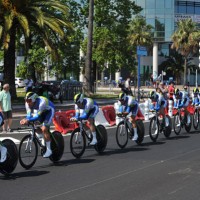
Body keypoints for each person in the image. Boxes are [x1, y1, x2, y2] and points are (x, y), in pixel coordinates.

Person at [20, 92, 55, 158]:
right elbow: (29, 116)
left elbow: (36, 116)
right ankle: (44, 137)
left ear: (34, 100)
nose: (27, 103)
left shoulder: (42, 103)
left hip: (49, 111)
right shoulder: (27, 104)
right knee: (35, 125)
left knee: (44, 128)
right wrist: (25, 120)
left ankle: (49, 150)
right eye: (26, 100)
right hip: (41, 112)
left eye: (29, 101)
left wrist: (28, 120)